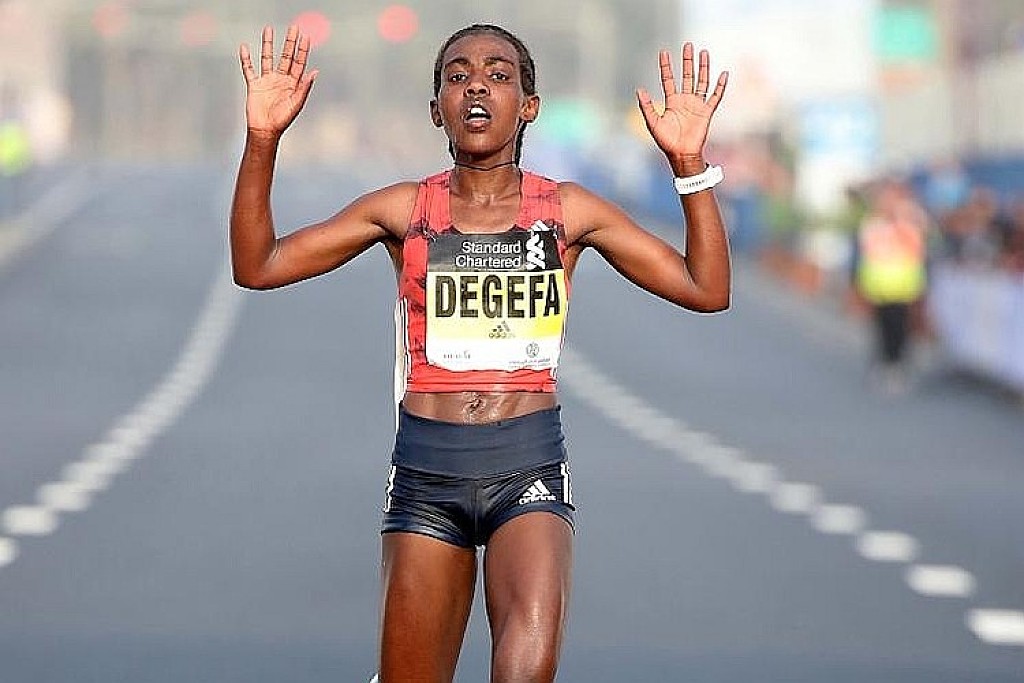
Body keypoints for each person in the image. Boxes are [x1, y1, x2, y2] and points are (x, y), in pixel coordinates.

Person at [231, 22, 730, 682]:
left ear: (529, 107)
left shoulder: (569, 211)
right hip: (426, 473)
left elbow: (706, 287)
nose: (476, 87)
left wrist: (689, 165)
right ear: (435, 107)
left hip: (527, 468)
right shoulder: (404, 209)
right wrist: (262, 139)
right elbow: (258, 264)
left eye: (498, 76)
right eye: (458, 76)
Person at [849, 179, 929, 393]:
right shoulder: (873, 224)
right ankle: (884, 363)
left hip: (903, 287)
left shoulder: (911, 222)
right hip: (878, 286)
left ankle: (897, 365)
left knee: (900, 328)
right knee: (881, 327)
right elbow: (865, 253)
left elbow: (919, 248)